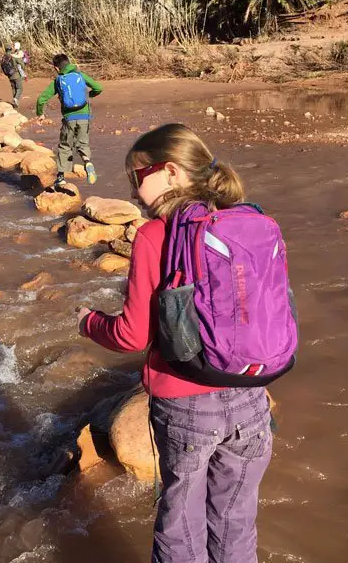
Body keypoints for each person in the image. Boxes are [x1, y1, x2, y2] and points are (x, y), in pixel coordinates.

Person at [76, 123, 296, 563]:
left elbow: (131, 335)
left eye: (137, 178)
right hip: (251, 396)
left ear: (171, 171)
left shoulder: (154, 235)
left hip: (187, 408)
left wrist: (88, 323)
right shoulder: (250, 221)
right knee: (236, 524)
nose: (135, 192)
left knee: (180, 530)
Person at [36, 54, 102, 190]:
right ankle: (87, 162)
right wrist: (89, 95)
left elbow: (41, 99)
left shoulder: (58, 80)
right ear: (70, 63)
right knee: (83, 142)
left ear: (56, 68)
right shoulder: (80, 75)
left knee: (65, 146)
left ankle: (60, 178)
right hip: (84, 116)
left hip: (69, 118)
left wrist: (40, 113)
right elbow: (99, 88)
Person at [1, 43, 28, 107]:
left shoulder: (3, 57)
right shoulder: (13, 56)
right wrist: (22, 68)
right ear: (11, 49)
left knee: (13, 88)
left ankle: (15, 103)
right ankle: (16, 99)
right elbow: (22, 64)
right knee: (19, 88)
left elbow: (2, 66)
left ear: (5, 49)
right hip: (16, 74)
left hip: (9, 76)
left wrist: (7, 74)